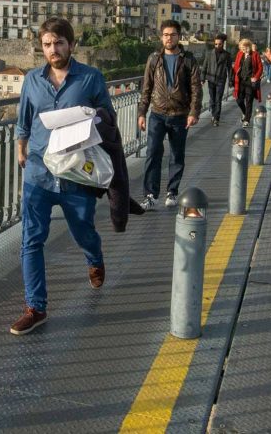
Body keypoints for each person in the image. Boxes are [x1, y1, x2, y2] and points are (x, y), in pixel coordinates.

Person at [11, 17, 113, 336]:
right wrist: (20, 147)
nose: (52, 50)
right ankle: (35, 307)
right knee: (31, 239)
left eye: (58, 43)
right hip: (39, 173)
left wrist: (93, 117)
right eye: (46, 44)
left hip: (75, 173)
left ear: (71, 45)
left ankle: (94, 258)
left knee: (83, 229)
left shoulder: (91, 78)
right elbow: (23, 120)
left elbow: (108, 117)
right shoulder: (32, 80)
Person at [137, 19, 203, 211]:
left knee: (177, 154)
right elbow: (146, 88)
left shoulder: (188, 59)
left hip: (180, 114)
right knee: (152, 153)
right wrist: (142, 112)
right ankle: (150, 195)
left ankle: (172, 192)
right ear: (161, 37)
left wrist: (193, 112)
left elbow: (196, 88)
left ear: (178, 36)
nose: (169, 38)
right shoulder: (154, 59)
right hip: (157, 114)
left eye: (172, 34)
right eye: (165, 35)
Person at [201, 33, 231, 127]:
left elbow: (229, 69)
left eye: (220, 44)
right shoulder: (209, 54)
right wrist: (202, 78)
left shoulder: (226, 55)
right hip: (210, 79)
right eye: (216, 44)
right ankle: (213, 114)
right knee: (212, 99)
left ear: (223, 44)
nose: (218, 46)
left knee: (218, 99)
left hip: (221, 80)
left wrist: (230, 80)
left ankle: (216, 118)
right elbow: (205, 66)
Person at [233, 38, 263, 127]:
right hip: (241, 81)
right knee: (239, 100)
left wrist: (256, 77)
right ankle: (245, 113)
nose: (242, 50)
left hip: (250, 81)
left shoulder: (255, 54)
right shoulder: (239, 54)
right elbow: (236, 66)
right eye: (241, 48)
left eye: (243, 48)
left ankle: (247, 120)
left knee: (249, 100)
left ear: (247, 46)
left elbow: (260, 67)